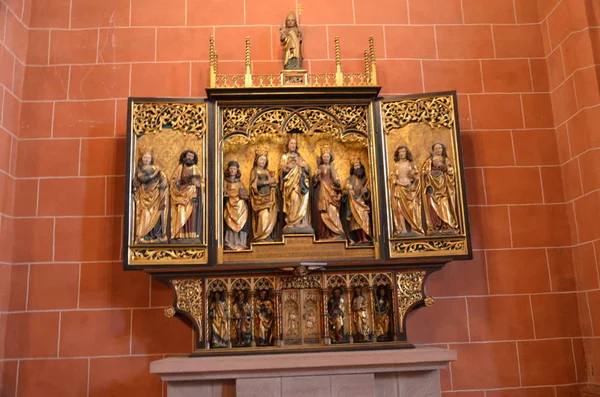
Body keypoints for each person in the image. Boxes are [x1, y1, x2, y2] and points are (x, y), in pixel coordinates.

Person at [422, 142, 459, 234]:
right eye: (436, 148)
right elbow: (424, 172)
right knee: (433, 205)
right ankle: (436, 226)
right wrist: (427, 172)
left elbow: (451, 171)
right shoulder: (429, 161)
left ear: (443, 150)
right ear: (433, 150)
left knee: (444, 203)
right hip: (432, 185)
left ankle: (447, 225)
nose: (438, 150)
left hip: (444, 186)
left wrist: (446, 168)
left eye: (440, 148)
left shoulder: (446, 160)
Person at [132, 150, 168, 243]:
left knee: (156, 213)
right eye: (145, 157)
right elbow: (143, 179)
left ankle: (155, 235)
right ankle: (142, 235)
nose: (147, 159)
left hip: (155, 194)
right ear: (141, 159)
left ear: (151, 159)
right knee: (145, 213)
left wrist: (164, 181)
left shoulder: (154, 167)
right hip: (144, 194)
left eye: (148, 157)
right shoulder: (139, 169)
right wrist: (155, 173)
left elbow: (163, 176)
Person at [279, 137, 313, 234]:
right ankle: (292, 221)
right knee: (293, 199)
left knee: (304, 199)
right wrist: (287, 167)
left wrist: (303, 165)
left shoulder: (299, 156)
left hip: (301, 183)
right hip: (290, 184)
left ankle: (302, 222)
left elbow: (308, 170)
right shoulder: (284, 157)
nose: (293, 145)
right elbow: (281, 171)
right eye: (291, 143)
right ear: (288, 145)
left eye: (294, 143)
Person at [389, 146, 424, 236]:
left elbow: (417, 177)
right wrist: (398, 182)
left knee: (411, 208)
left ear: (406, 153)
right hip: (399, 188)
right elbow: (392, 177)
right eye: (400, 152)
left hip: (410, 189)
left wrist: (413, 179)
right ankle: (402, 229)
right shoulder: (396, 165)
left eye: (403, 151)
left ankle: (414, 228)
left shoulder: (411, 164)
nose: (401, 153)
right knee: (399, 209)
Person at [170, 150, 203, 240]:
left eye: (191, 156)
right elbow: (174, 180)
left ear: (194, 158)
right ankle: (179, 234)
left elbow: (201, 182)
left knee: (193, 213)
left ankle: (191, 235)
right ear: (185, 156)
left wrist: (198, 184)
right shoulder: (180, 167)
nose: (189, 158)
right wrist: (177, 184)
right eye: (188, 155)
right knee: (181, 211)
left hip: (192, 195)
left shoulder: (195, 168)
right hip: (181, 194)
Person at [313, 147, 344, 240]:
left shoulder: (331, 168)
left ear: (330, 158)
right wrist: (316, 176)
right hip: (322, 191)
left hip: (330, 191)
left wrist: (337, 183)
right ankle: (324, 234)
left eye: (327, 157)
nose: (326, 158)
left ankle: (335, 232)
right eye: (324, 157)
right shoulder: (319, 168)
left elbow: (336, 178)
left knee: (332, 210)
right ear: (322, 158)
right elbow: (315, 180)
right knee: (323, 211)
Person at [249, 151, 278, 242]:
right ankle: (260, 236)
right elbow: (253, 184)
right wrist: (266, 182)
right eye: (261, 159)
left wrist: (273, 184)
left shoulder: (267, 171)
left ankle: (267, 235)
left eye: (264, 160)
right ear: (257, 160)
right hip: (259, 198)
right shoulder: (254, 171)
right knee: (263, 214)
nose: (263, 162)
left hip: (269, 197)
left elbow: (272, 183)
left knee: (270, 216)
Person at [344, 157, 372, 245]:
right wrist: (348, 188)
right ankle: (360, 238)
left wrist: (366, 191)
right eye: (355, 166)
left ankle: (365, 237)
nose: (356, 168)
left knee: (364, 218)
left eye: (358, 165)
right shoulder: (350, 178)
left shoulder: (365, 179)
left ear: (361, 166)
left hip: (362, 201)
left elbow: (369, 191)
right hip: (353, 202)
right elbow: (346, 186)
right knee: (355, 221)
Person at [223, 161, 249, 250]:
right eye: (231, 168)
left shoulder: (240, 182)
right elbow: (223, 191)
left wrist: (243, 194)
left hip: (240, 204)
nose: (232, 170)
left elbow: (244, 192)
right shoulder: (225, 181)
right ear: (228, 169)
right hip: (230, 202)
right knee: (230, 221)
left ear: (237, 170)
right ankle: (230, 242)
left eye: (234, 169)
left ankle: (240, 243)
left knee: (242, 221)